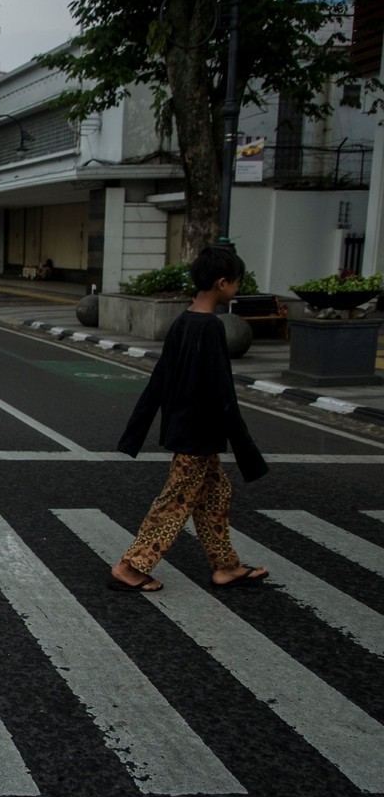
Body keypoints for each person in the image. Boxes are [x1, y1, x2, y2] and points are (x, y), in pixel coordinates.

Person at [109, 245, 269, 593]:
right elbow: (223, 392)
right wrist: (247, 450)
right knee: (175, 502)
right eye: (236, 282)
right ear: (222, 283)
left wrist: (136, 431)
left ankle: (226, 566)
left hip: (188, 430)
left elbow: (159, 380)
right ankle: (131, 566)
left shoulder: (183, 321)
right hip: (198, 433)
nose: (237, 288)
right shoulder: (210, 327)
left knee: (216, 493)